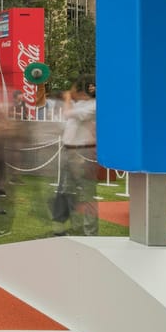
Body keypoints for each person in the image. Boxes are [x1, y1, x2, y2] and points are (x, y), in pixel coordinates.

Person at [56, 78, 97, 236]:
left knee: (87, 193)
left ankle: (90, 233)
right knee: (69, 192)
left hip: (83, 152)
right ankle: (76, 227)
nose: (71, 92)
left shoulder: (94, 106)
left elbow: (67, 114)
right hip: (69, 150)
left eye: (73, 89)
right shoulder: (80, 104)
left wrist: (67, 98)